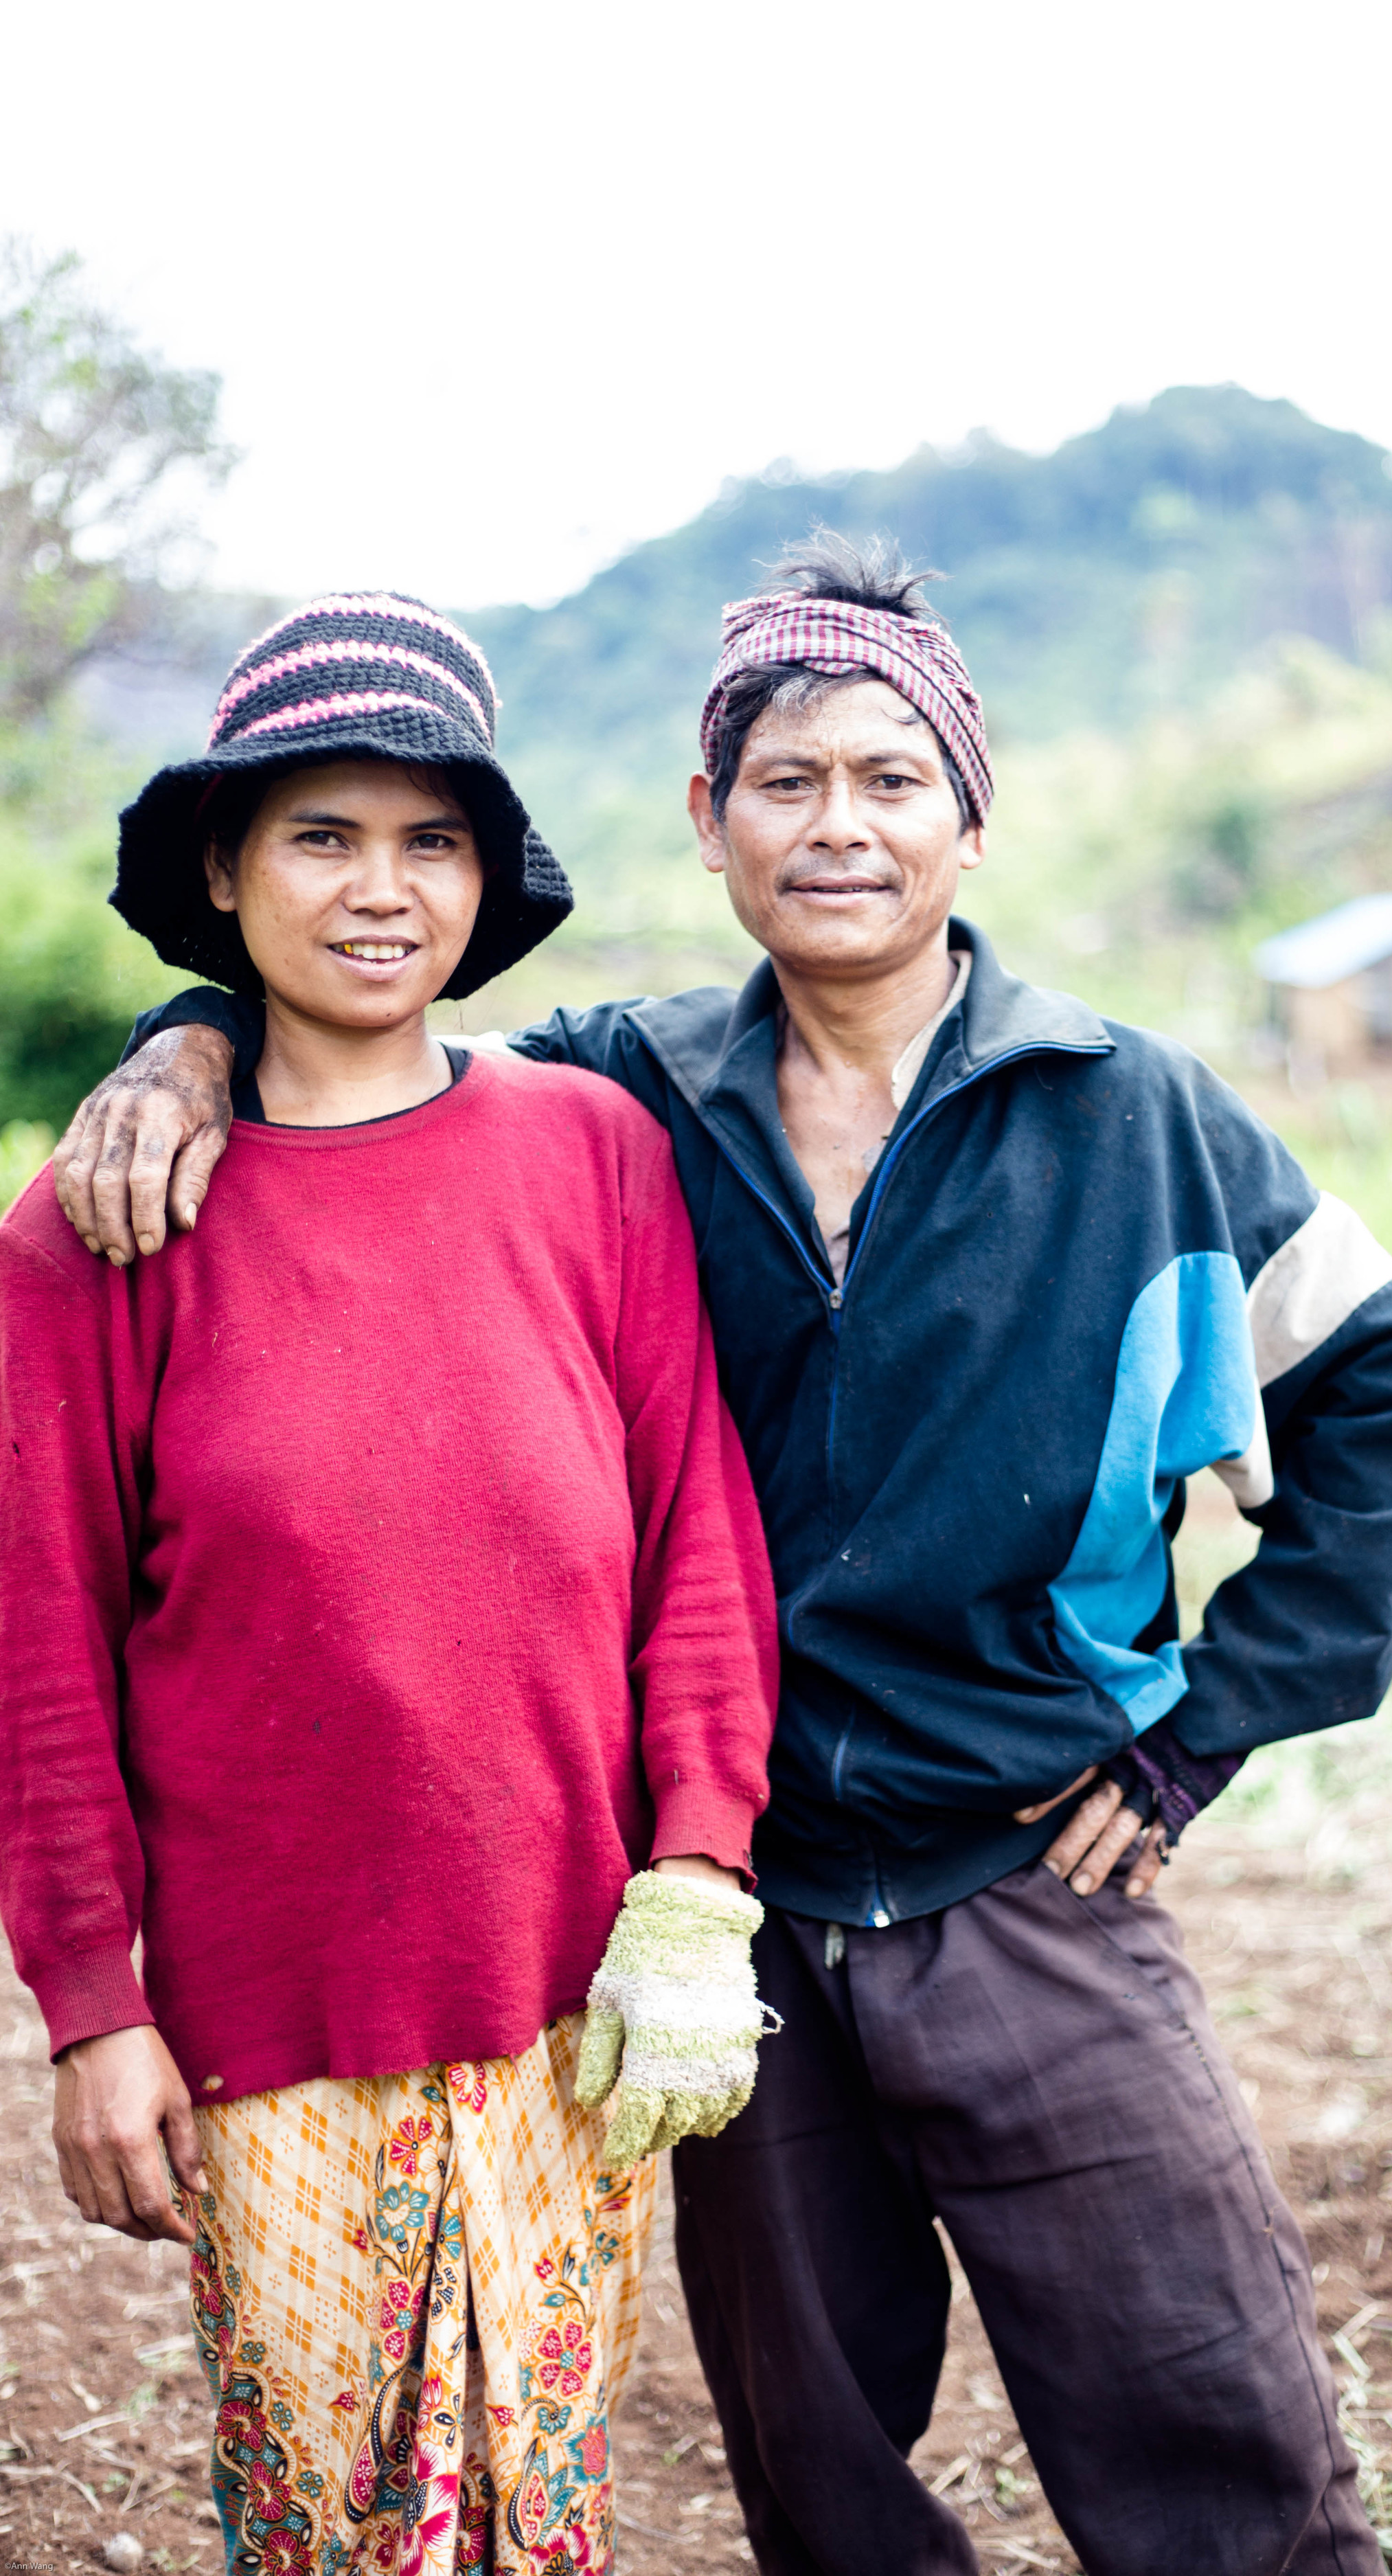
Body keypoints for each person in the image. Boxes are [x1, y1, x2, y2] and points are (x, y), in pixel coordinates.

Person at [57, 543, 1392, 2576]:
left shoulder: (1129, 1117)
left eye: (892, 780)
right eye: (785, 780)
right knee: (818, 2471)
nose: (839, 826)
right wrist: (183, 1040)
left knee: (1207, 2419)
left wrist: (1194, 1733)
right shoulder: (614, 1099)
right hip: (717, 1924)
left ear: (968, 818)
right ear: (707, 821)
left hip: (1023, 1876)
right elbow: (362, 1037)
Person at [2, 594, 779, 2576]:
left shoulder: (593, 1156)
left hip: (564, 1994)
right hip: (270, 2004)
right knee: (336, 2523)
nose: (380, 889)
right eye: (319, 838)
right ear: (220, 870)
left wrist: (694, 1877)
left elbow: (694, 1529)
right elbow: (40, 1651)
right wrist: (92, 2008)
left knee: (545, 2505)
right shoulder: (103, 1222)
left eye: (429, 839)